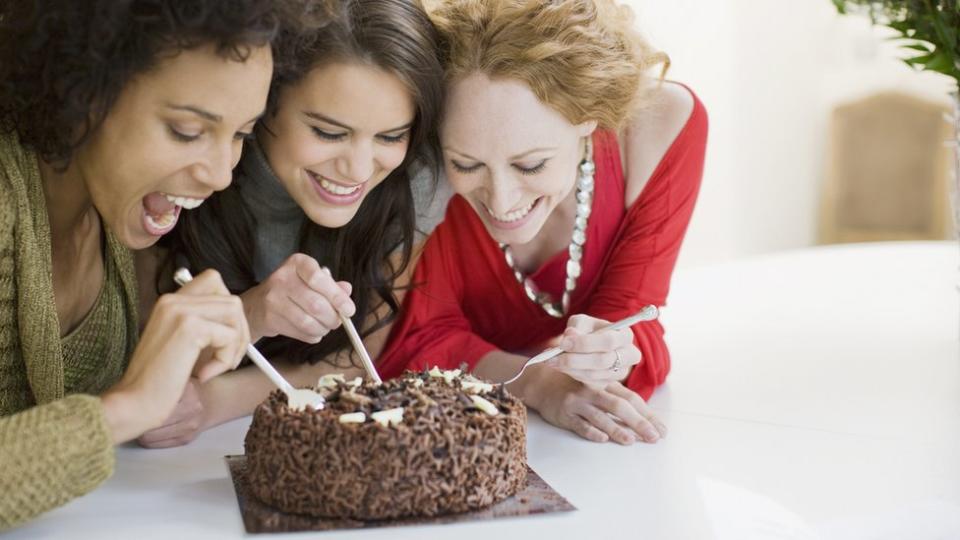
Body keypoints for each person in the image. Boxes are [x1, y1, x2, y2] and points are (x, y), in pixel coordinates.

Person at [0, 0, 310, 529]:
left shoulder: (122, 227)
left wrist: (240, 324)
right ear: (83, 91)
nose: (219, 175)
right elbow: (119, 409)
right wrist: (127, 407)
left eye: (241, 134)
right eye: (188, 131)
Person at [377, 0, 708, 446]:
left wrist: (612, 356)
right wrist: (536, 385)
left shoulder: (661, 127)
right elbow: (416, 341)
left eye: (531, 165)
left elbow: (633, 312)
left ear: (589, 117)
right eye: (467, 164)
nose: (501, 199)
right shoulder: (421, 173)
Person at [139, 0, 444, 448]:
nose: (359, 169)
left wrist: (214, 402)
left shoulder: (411, 178)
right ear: (265, 104)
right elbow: (137, 348)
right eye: (328, 132)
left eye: (390, 136)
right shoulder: (195, 173)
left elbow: (357, 356)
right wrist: (253, 313)